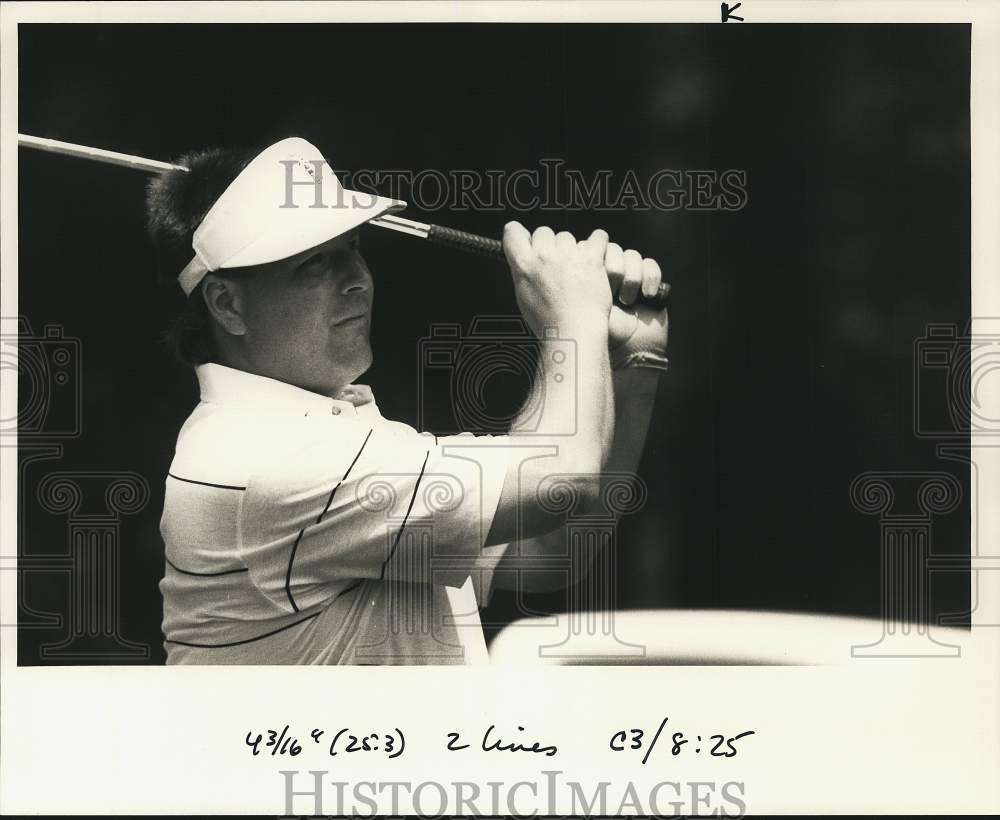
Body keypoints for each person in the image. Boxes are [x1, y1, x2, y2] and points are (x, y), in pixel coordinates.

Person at [146, 137, 668, 664]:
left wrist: (630, 360)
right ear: (226, 304)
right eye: (314, 264)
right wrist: (573, 318)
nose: (357, 280)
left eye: (350, 249)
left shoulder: (324, 430)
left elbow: (542, 551)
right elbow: (561, 482)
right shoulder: (263, 456)